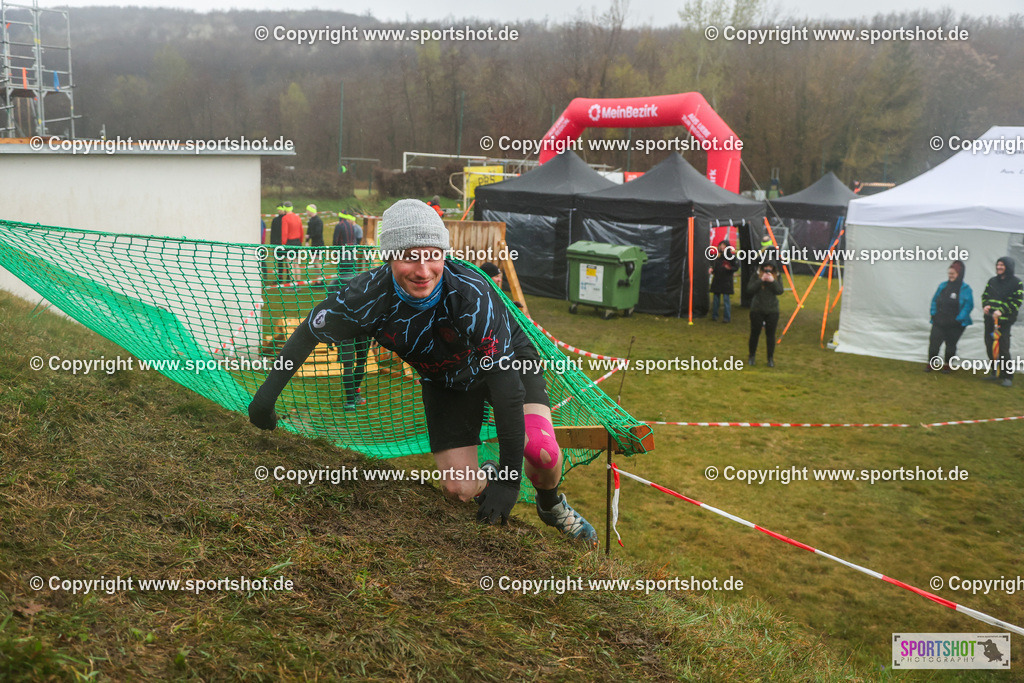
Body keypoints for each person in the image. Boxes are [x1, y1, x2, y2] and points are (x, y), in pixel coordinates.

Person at [248, 199, 598, 545]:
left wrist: (509, 480)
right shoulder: (366, 296)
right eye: (408, 256)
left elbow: (507, 392)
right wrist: (265, 398)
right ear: (388, 256)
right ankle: (486, 478)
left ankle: (551, 505)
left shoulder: (472, 295)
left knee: (540, 452)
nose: (423, 270)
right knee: (458, 489)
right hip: (446, 382)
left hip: (508, 362)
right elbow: (308, 331)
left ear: (444, 253)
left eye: (432, 254)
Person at [981, 256, 1023, 387]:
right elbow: (985, 295)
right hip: (989, 320)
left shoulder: (1017, 283)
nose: (998, 267)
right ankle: (995, 372)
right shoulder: (992, 281)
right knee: (990, 346)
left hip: (1004, 322)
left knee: (1003, 348)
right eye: (998, 264)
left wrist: (1001, 311)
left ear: (1008, 267)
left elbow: (1017, 301)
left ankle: (1007, 376)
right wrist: (986, 305)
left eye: (1002, 265)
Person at [927, 260, 973, 373]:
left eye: (953, 274)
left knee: (951, 344)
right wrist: (934, 314)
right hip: (940, 320)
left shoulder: (966, 289)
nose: (950, 276)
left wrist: (958, 319)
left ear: (959, 274)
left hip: (956, 322)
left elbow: (968, 306)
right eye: (949, 273)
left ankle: (947, 365)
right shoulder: (943, 286)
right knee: (934, 342)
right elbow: (934, 301)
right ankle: (931, 363)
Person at [747, 262, 783, 367]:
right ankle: (752, 356)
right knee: (754, 334)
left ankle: (770, 358)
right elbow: (749, 289)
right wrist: (761, 280)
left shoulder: (777, 276)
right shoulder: (756, 275)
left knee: (770, 336)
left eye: (770, 267)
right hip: (757, 309)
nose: (768, 269)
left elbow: (780, 291)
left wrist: (772, 281)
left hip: (772, 310)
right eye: (766, 267)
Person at [708, 240, 737, 323]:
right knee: (716, 299)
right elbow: (715, 267)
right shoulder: (718, 256)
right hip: (717, 280)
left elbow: (736, 267)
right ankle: (714, 316)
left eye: (723, 245)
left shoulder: (731, 256)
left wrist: (730, 268)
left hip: (726, 281)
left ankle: (727, 317)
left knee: (726, 299)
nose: (721, 247)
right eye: (721, 245)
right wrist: (712, 270)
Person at [281, 201, 304, 282]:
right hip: (297, 242)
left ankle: (293, 284)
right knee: (296, 264)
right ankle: (298, 284)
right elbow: (301, 231)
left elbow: (284, 233)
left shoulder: (285, 218)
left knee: (290, 265)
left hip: (289, 243)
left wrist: (283, 244)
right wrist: (300, 242)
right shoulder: (297, 217)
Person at [306, 204, 325, 281]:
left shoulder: (318, 221)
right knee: (314, 261)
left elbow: (318, 233)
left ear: (311, 211)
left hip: (319, 244)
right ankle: (319, 279)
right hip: (313, 244)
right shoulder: (311, 220)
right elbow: (308, 231)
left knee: (316, 261)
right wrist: (307, 241)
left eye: (307, 210)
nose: (306, 212)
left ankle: (321, 279)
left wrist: (309, 236)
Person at [269, 205, 285, 281]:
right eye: (278, 210)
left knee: (288, 261)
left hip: (286, 244)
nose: (279, 211)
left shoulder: (286, 219)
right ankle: (280, 277)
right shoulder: (275, 220)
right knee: (279, 262)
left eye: (280, 210)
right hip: (277, 244)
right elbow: (273, 233)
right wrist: (272, 244)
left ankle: (289, 277)